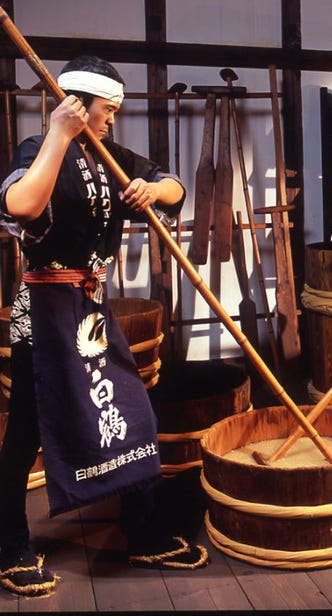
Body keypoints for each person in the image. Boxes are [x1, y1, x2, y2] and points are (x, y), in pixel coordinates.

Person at [0, 56, 208, 597]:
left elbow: (176, 188)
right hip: (42, 311)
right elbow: (21, 204)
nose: (112, 120)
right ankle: (10, 547)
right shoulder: (39, 148)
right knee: (26, 430)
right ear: (78, 105)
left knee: (131, 412)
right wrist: (58, 136)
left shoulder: (113, 156)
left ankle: (142, 534)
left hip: (90, 308)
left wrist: (149, 191)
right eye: (106, 110)